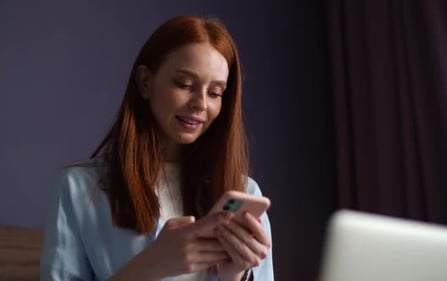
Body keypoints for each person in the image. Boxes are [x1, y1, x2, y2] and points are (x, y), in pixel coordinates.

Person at [40, 15, 274, 281]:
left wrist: (237, 276)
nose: (200, 104)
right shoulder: (79, 189)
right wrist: (154, 264)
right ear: (145, 83)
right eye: (184, 84)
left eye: (215, 93)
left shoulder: (243, 192)